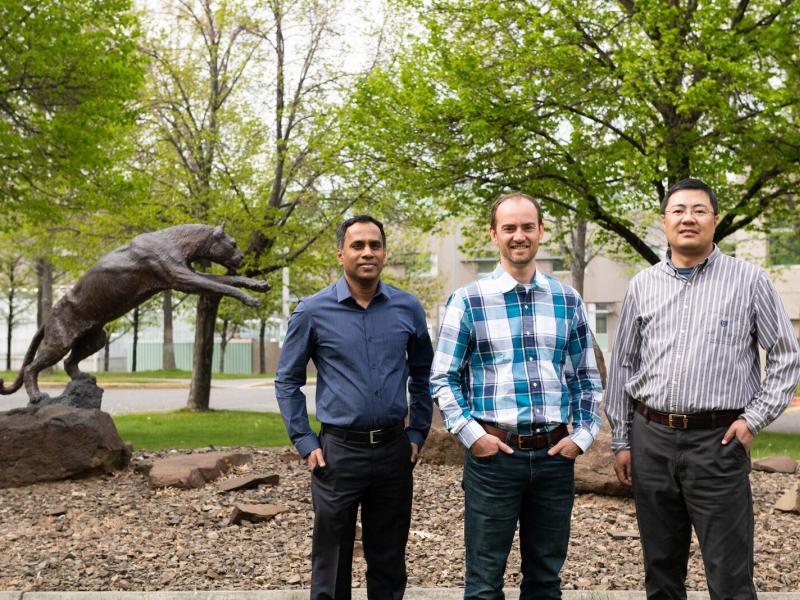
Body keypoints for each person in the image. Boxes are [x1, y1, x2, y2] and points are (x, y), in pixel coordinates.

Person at [605, 178, 800, 600]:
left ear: (714, 220)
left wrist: (753, 420)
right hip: (651, 440)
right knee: (660, 573)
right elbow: (623, 367)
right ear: (665, 221)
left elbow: (787, 356)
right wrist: (622, 440)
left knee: (730, 576)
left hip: (720, 441)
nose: (688, 218)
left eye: (698, 210)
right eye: (678, 210)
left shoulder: (750, 281)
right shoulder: (643, 285)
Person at [430, 192, 603, 600]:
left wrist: (580, 439)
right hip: (494, 459)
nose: (519, 236)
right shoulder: (469, 301)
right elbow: (442, 379)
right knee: (484, 582)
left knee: (545, 580)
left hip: (553, 457)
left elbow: (586, 378)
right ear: (494, 234)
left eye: (527, 227)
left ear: (541, 232)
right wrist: (474, 437)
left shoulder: (567, 300)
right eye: (509, 228)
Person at [275, 215, 434, 600]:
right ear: (340, 254)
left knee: (389, 562)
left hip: (395, 453)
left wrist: (417, 432)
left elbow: (424, 375)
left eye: (374, 245)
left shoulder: (408, 308)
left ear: (384, 253)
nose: (367, 252)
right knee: (331, 565)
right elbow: (287, 381)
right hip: (337, 455)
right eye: (358, 245)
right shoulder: (312, 312)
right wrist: (304, 440)